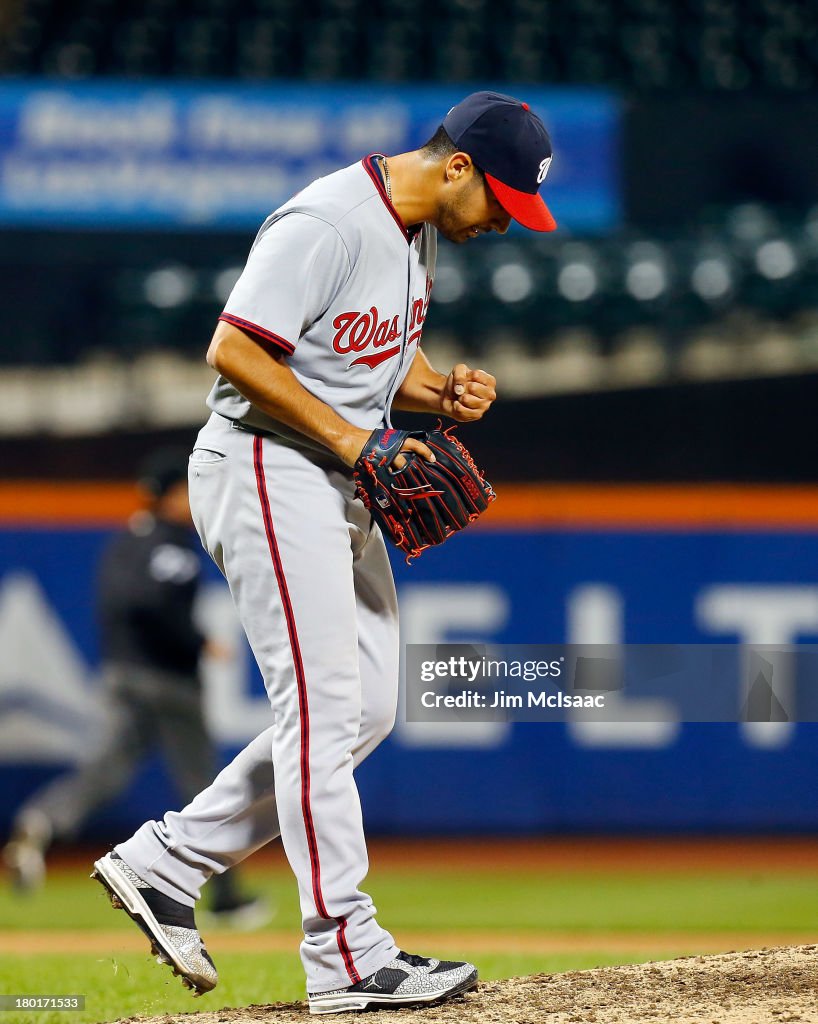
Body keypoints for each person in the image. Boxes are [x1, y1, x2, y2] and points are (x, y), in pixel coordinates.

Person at [91, 92, 556, 1013]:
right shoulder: (330, 221)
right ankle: (343, 951)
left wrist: (437, 390)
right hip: (268, 466)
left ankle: (166, 862)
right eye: (501, 199)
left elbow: (366, 363)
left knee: (364, 708)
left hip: (330, 478)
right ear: (456, 164)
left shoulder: (417, 236)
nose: (506, 220)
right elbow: (234, 351)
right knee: (322, 705)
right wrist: (355, 443)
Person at [3, 451, 269, 928]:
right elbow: (148, 603)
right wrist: (197, 641)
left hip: (120, 675)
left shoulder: (124, 542)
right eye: (185, 491)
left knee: (106, 771)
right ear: (168, 494)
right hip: (167, 681)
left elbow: (118, 605)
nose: (192, 501)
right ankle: (225, 897)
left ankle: (43, 820)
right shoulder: (172, 544)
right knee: (206, 785)